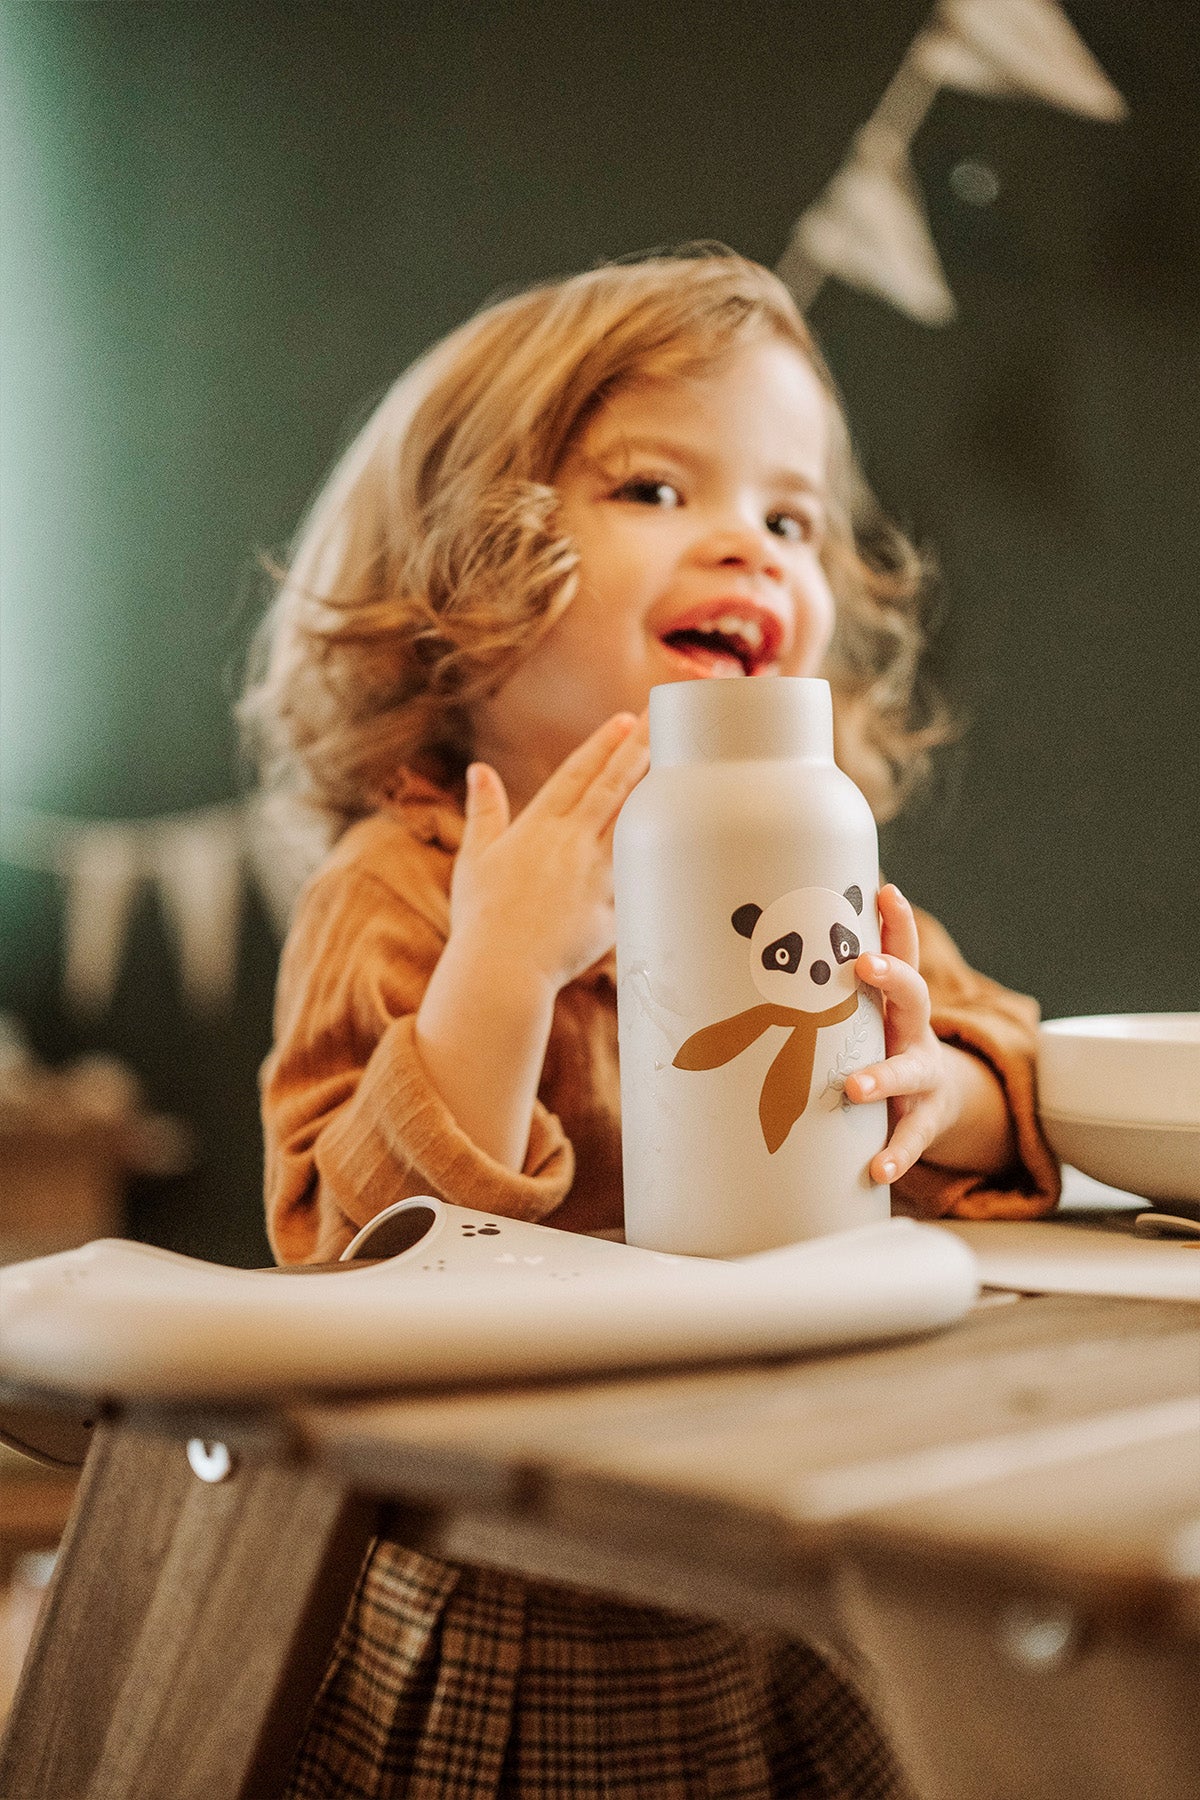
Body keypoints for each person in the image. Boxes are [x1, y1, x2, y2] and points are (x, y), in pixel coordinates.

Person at [241, 248, 1059, 1799]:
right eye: (654, 489)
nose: (749, 546)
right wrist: (503, 973)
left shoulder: (807, 859)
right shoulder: (404, 891)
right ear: (458, 571)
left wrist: (933, 1087)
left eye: (791, 514)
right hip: (531, 1583)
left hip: (800, 1547)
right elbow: (340, 1256)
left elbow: (1003, 1070)